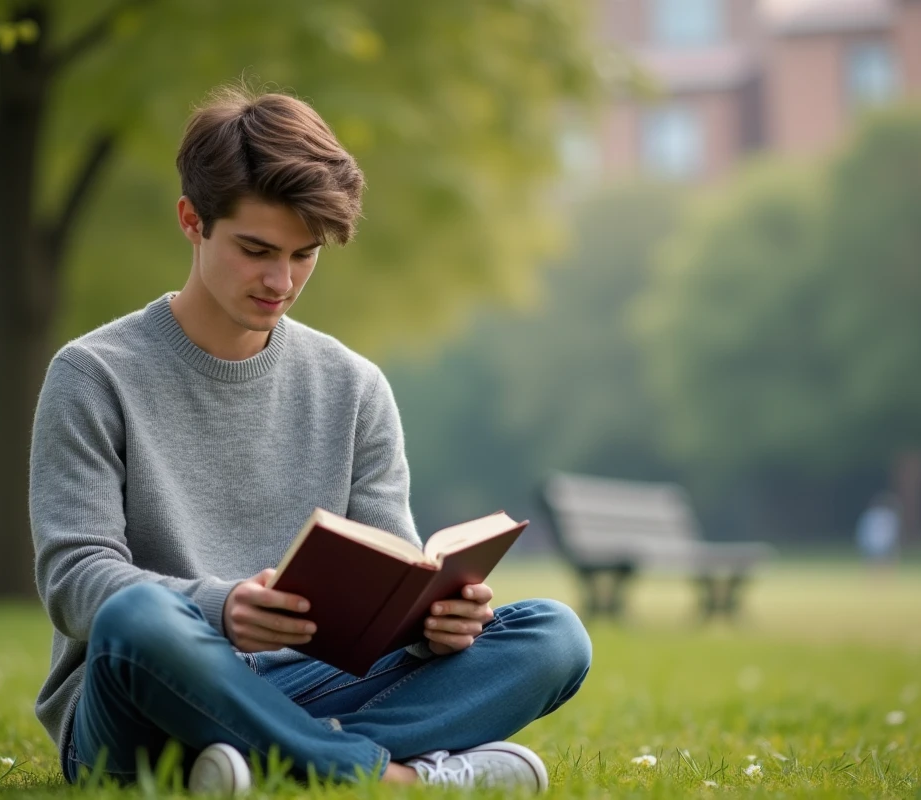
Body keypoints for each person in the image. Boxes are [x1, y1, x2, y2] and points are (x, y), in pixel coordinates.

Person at [29, 85, 592, 795]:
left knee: (554, 635)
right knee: (138, 617)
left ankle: (252, 765)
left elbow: (392, 580)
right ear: (191, 221)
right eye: (256, 249)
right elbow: (73, 580)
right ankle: (389, 777)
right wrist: (221, 607)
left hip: (309, 684)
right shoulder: (92, 375)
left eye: (304, 254)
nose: (281, 280)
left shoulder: (354, 388)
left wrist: (438, 623)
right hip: (145, 699)